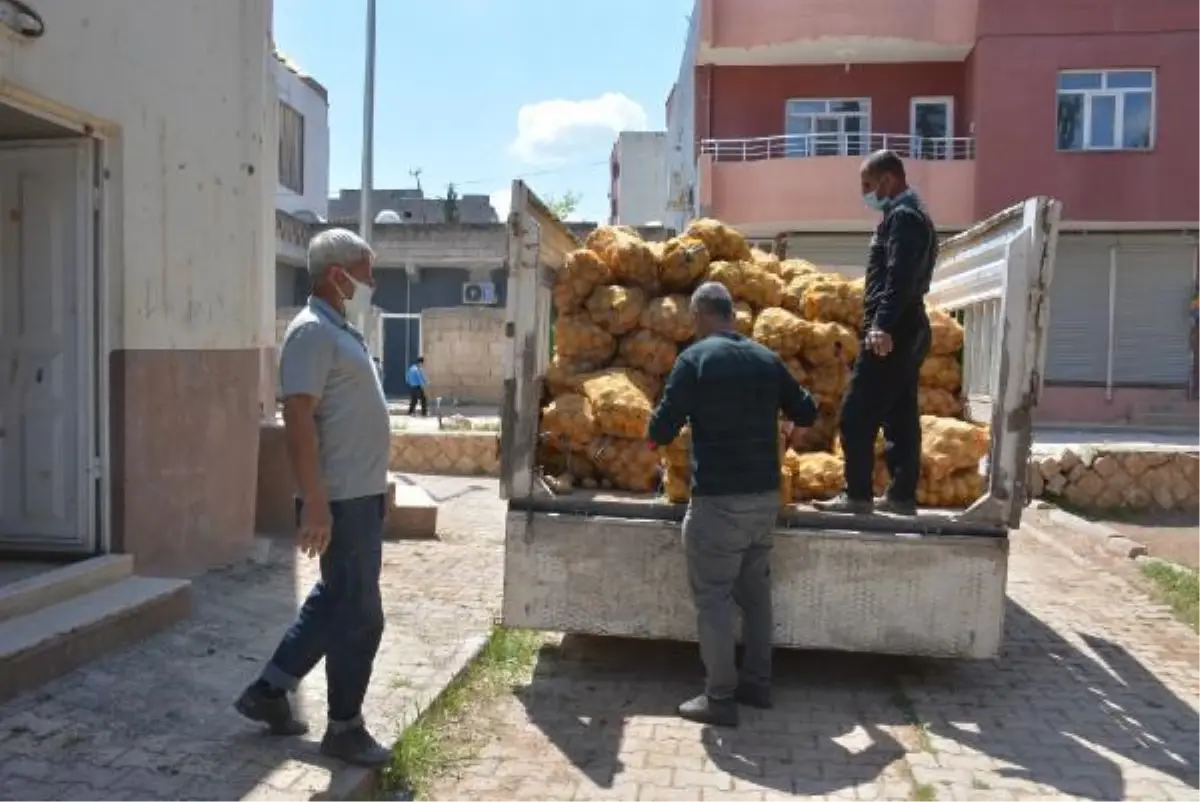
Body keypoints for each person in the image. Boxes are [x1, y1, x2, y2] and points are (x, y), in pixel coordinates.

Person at [234, 228, 393, 767]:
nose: (371, 280)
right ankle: (344, 728)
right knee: (361, 616)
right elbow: (298, 420)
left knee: (333, 602)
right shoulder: (311, 334)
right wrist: (315, 503)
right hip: (340, 500)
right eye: (364, 270)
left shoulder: (339, 330)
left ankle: (269, 692)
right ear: (336, 274)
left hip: (360, 497)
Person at [647, 282, 818, 727]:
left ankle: (719, 699)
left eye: (693, 318)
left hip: (719, 502)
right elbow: (807, 411)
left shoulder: (695, 360)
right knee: (756, 596)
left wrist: (653, 439)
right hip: (765, 499)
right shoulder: (767, 359)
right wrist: (785, 429)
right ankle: (757, 685)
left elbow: (662, 427)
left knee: (715, 599)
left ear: (701, 316)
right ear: (732, 315)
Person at [814, 150, 938, 517]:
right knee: (899, 416)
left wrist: (881, 325)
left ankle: (857, 495)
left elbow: (899, 277)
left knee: (855, 413)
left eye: (868, 185)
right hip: (906, 325)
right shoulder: (908, 215)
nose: (865, 192)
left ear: (888, 180)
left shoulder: (904, 218)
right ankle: (901, 497)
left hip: (894, 329)